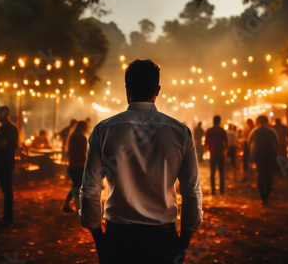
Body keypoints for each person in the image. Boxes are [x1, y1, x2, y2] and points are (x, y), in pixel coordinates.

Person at [80, 59, 203, 264]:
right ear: (157, 90)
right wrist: (183, 242)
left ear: (127, 89)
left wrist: (99, 239)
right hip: (162, 240)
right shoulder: (180, 133)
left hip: (118, 239)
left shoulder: (104, 130)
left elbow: (90, 189)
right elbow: (191, 192)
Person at [249, 115, 279, 205]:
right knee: (268, 175)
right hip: (270, 155)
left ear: (257, 121)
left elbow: (250, 144)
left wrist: (251, 157)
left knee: (260, 174)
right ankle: (266, 196)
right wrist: (278, 156)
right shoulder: (271, 131)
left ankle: (262, 197)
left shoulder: (254, 131)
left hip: (258, 155)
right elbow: (277, 144)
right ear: (266, 121)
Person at [63, 120, 88, 213]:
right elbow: (83, 153)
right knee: (76, 187)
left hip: (72, 166)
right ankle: (75, 206)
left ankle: (73, 206)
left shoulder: (72, 137)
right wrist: (87, 163)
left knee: (75, 186)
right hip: (79, 166)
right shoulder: (82, 138)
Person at [205, 115, 228, 195]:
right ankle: (222, 190)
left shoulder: (209, 130)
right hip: (221, 154)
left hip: (212, 154)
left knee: (212, 173)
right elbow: (226, 143)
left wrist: (209, 150)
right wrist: (224, 151)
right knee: (221, 173)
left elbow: (205, 143)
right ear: (220, 121)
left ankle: (213, 191)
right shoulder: (222, 131)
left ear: (213, 121)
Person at [240, 118, 254, 183]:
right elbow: (242, 134)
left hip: (250, 145)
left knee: (248, 161)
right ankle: (246, 176)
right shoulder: (248, 129)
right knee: (245, 161)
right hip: (247, 145)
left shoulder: (252, 129)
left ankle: (249, 176)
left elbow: (244, 135)